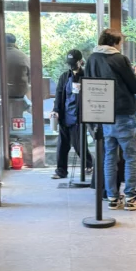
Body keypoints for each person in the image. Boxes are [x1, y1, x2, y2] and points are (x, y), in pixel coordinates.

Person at [84, 28, 136, 210]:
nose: (122, 45)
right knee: (130, 157)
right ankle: (131, 198)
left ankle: (112, 197)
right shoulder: (119, 59)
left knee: (109, 156)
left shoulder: (92, 59)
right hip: (123, 114)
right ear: (114, 43)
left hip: (103, 115)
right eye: (121, 42)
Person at [52, 49, 93, 180]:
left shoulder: (87, 76)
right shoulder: (64, 77)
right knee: (62, 146)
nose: (71, 65)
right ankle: (61, 171)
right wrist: (56, 110)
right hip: (65, 116)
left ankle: (89, 164)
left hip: (79, 117)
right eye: (69, 63)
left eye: (73, 62)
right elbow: (59, 95)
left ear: (80, 62)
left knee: (79, 144)